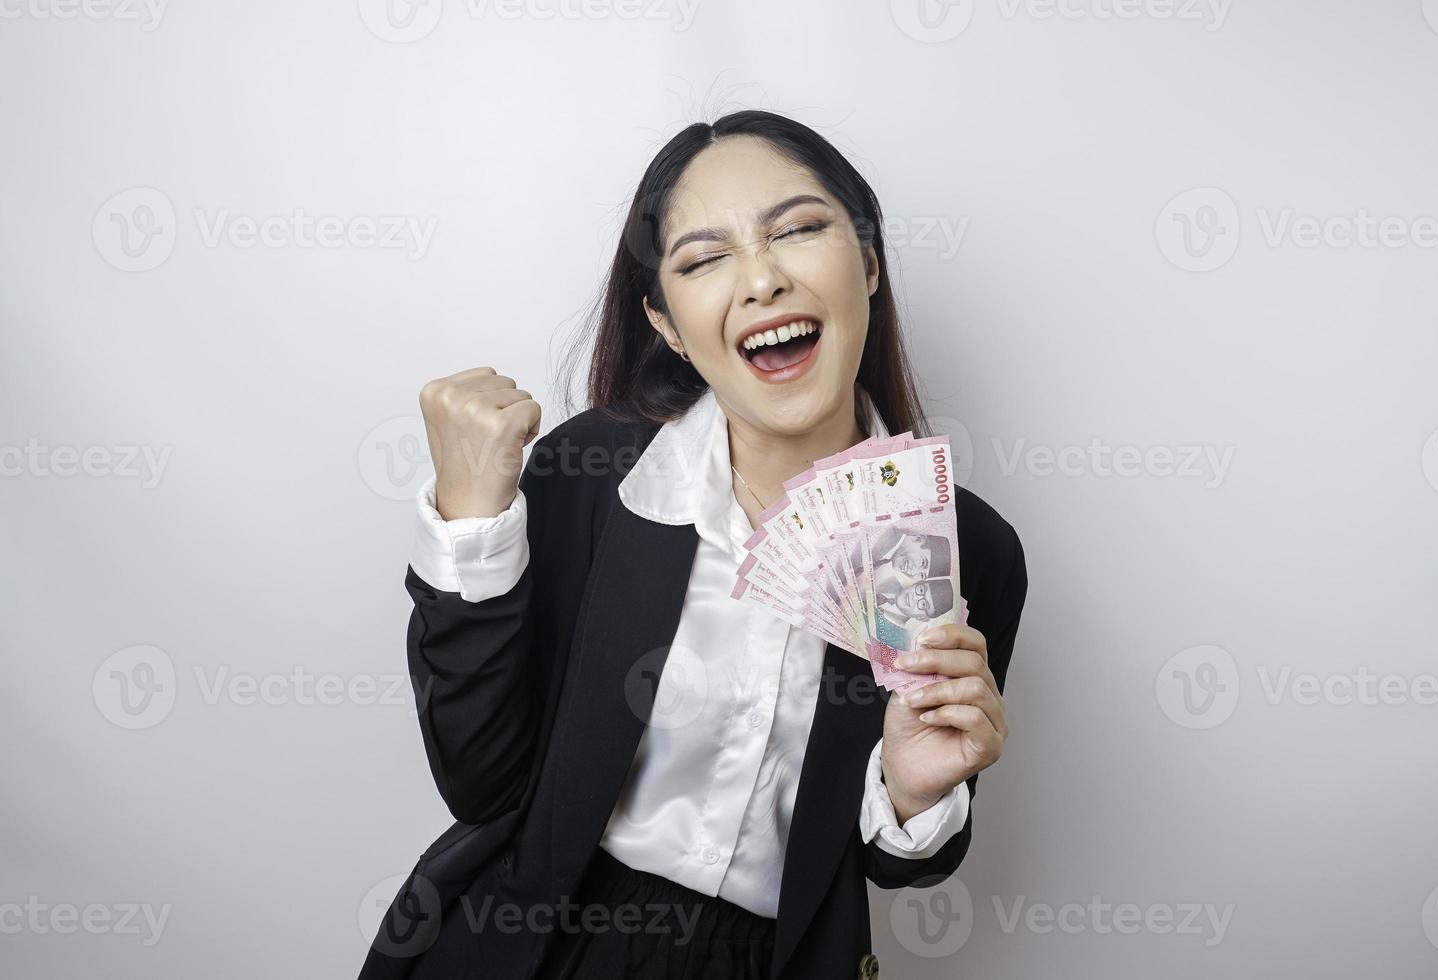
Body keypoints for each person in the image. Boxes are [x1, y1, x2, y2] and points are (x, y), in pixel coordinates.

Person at [359, 110, 1029, 980]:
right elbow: (481, 781)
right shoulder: (591, 472)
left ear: (868, 263)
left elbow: (903, 864)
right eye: (705, 258)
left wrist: (915, 793)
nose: (761, 281)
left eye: (798, 229)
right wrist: (469, 520)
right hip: (533, 947)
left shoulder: (968, 547)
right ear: (668, 323)